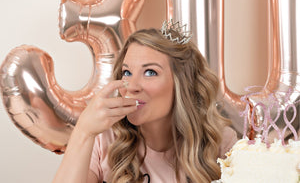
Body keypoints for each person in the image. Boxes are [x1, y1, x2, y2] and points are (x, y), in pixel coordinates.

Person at [53, 21, 237, 183]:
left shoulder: (219, 142)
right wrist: (83, 131)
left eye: (150, 72)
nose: (131, 86)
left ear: (182, 84)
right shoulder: (103, 139)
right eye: (127, 72)